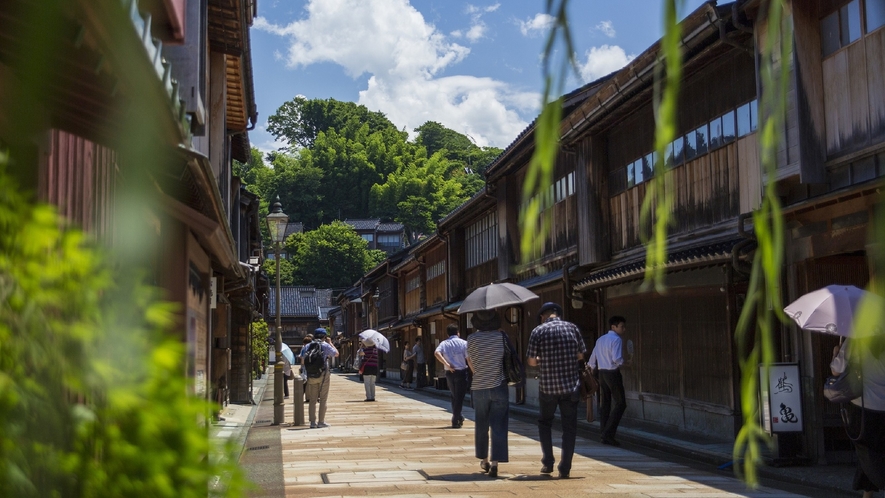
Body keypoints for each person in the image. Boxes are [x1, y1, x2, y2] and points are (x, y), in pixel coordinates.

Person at [526, 302, 586, 479]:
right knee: (569, 428)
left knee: (545, 423)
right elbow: (581, 354)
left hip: (548, 386)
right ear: (557, 314)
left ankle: (548, 462)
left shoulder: (538, 331)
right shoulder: (572, 328)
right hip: (570, 386)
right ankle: (565, 467)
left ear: (543, 316)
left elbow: (531, 361)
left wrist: (540, 359)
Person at [830, 337, 885, 497]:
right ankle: (867, 494)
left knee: (867, 452)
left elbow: (836, 370)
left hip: (864, 406)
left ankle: (871, 491)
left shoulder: (855, 339)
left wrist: (836, 352)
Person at [466, 309, 509, 478]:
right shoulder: (501, 337)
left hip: (479, 387)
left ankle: (484, 460)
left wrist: (479, 373)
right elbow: (507, 359)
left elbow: (470, 361)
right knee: (499, 425)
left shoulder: (471, 339)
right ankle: (496, 462)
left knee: (481, 424)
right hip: (499, 385)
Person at [588, 315, 630, 446]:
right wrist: (626, 363)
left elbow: (592, 358)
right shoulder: (616, 339)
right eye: (621, 326)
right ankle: (608, 433)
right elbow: (617, 359)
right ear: (614, 327)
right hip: (612, 373)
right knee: (621, 403)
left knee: (605, 403)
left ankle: (603, 433)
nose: (623, 329)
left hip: (602, 373)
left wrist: (592, 368)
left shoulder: (600, 339)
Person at [302, 328, 339, 428]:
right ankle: (321, 422)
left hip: (311, 375)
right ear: (324, 336)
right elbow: (336, 353)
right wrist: (330, 343)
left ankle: (312, 423)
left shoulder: (308, 346)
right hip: (323, 374)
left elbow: (302, 358)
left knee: (312, 399)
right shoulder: (325, 345)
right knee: (323, 399)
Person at [435, 323, 469, 428]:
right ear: (458, 332)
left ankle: (459, 417)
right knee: (459, 396)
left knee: (454, 395)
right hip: (461, 371)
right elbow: (468, 358)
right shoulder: (464, 343)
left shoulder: (444, 343)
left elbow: (437, 353)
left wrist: (446, 364)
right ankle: (456, 418)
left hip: (449, 372)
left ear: (447, 334)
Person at [299, 335, 313, 403]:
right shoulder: (315, 346)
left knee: (305, 383)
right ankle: (314, 397)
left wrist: (302, 367)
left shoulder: (304, 348)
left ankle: (306, 397)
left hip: (305, 368)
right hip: (314, 368)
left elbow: (302, 360)